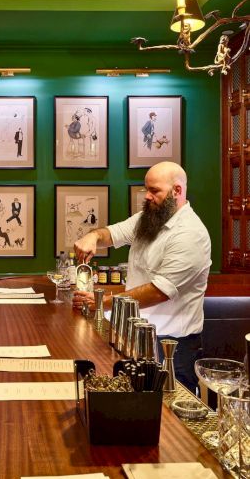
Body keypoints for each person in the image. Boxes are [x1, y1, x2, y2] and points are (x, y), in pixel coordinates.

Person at [72, 161, 211, 394]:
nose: (147, 196)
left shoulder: (190, 234)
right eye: (146, 189)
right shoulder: (147, 219)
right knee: (136, 409)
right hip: (136, 336)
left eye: (154, 190)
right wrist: (93, 236)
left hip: (170, 345)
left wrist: (101, 303)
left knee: (170, 421)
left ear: (177, 191)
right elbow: (112, 234)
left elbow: (159, 291)